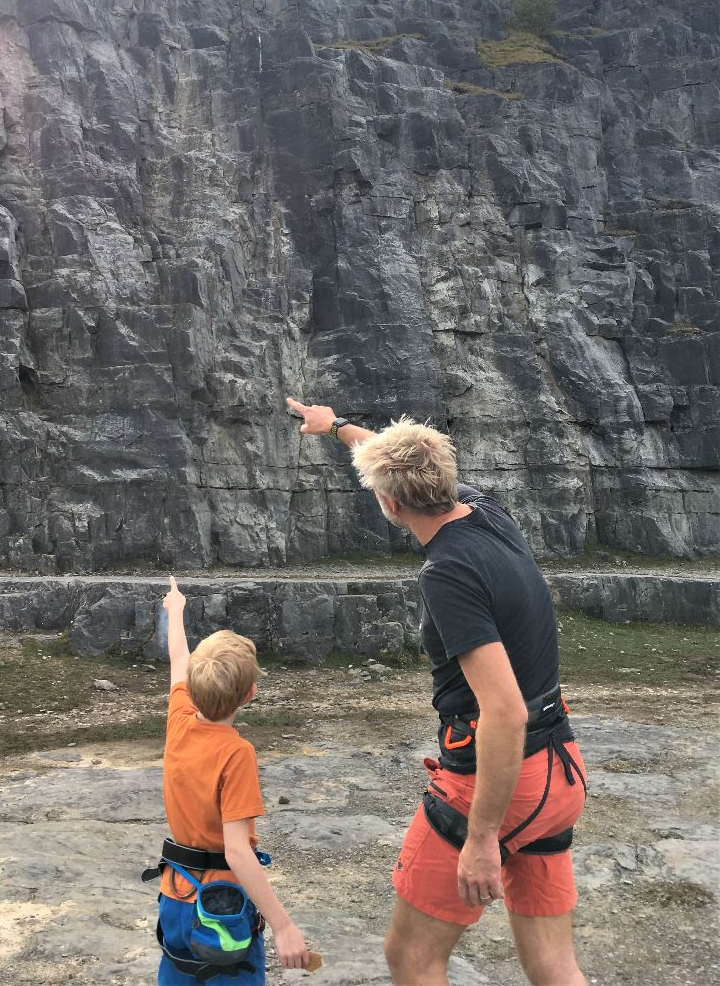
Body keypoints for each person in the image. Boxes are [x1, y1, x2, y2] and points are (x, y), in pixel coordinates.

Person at [286, 398, 589, 986]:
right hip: (560, 770)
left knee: (413, 957)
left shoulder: (447, 571)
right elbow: (406, 463)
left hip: (497, 782)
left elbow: (502, 709)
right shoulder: (488, 512)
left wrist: (480, 839)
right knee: (554, 963)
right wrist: (339, 427)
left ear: (389, 504)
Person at [147, 575, 311, 983]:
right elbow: (237, 852)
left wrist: (176, 610)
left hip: (175, 896)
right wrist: (283, 925)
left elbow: (178, 661)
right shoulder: (237, 753)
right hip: (221, 908)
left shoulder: (180, 721)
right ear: (249, 694)